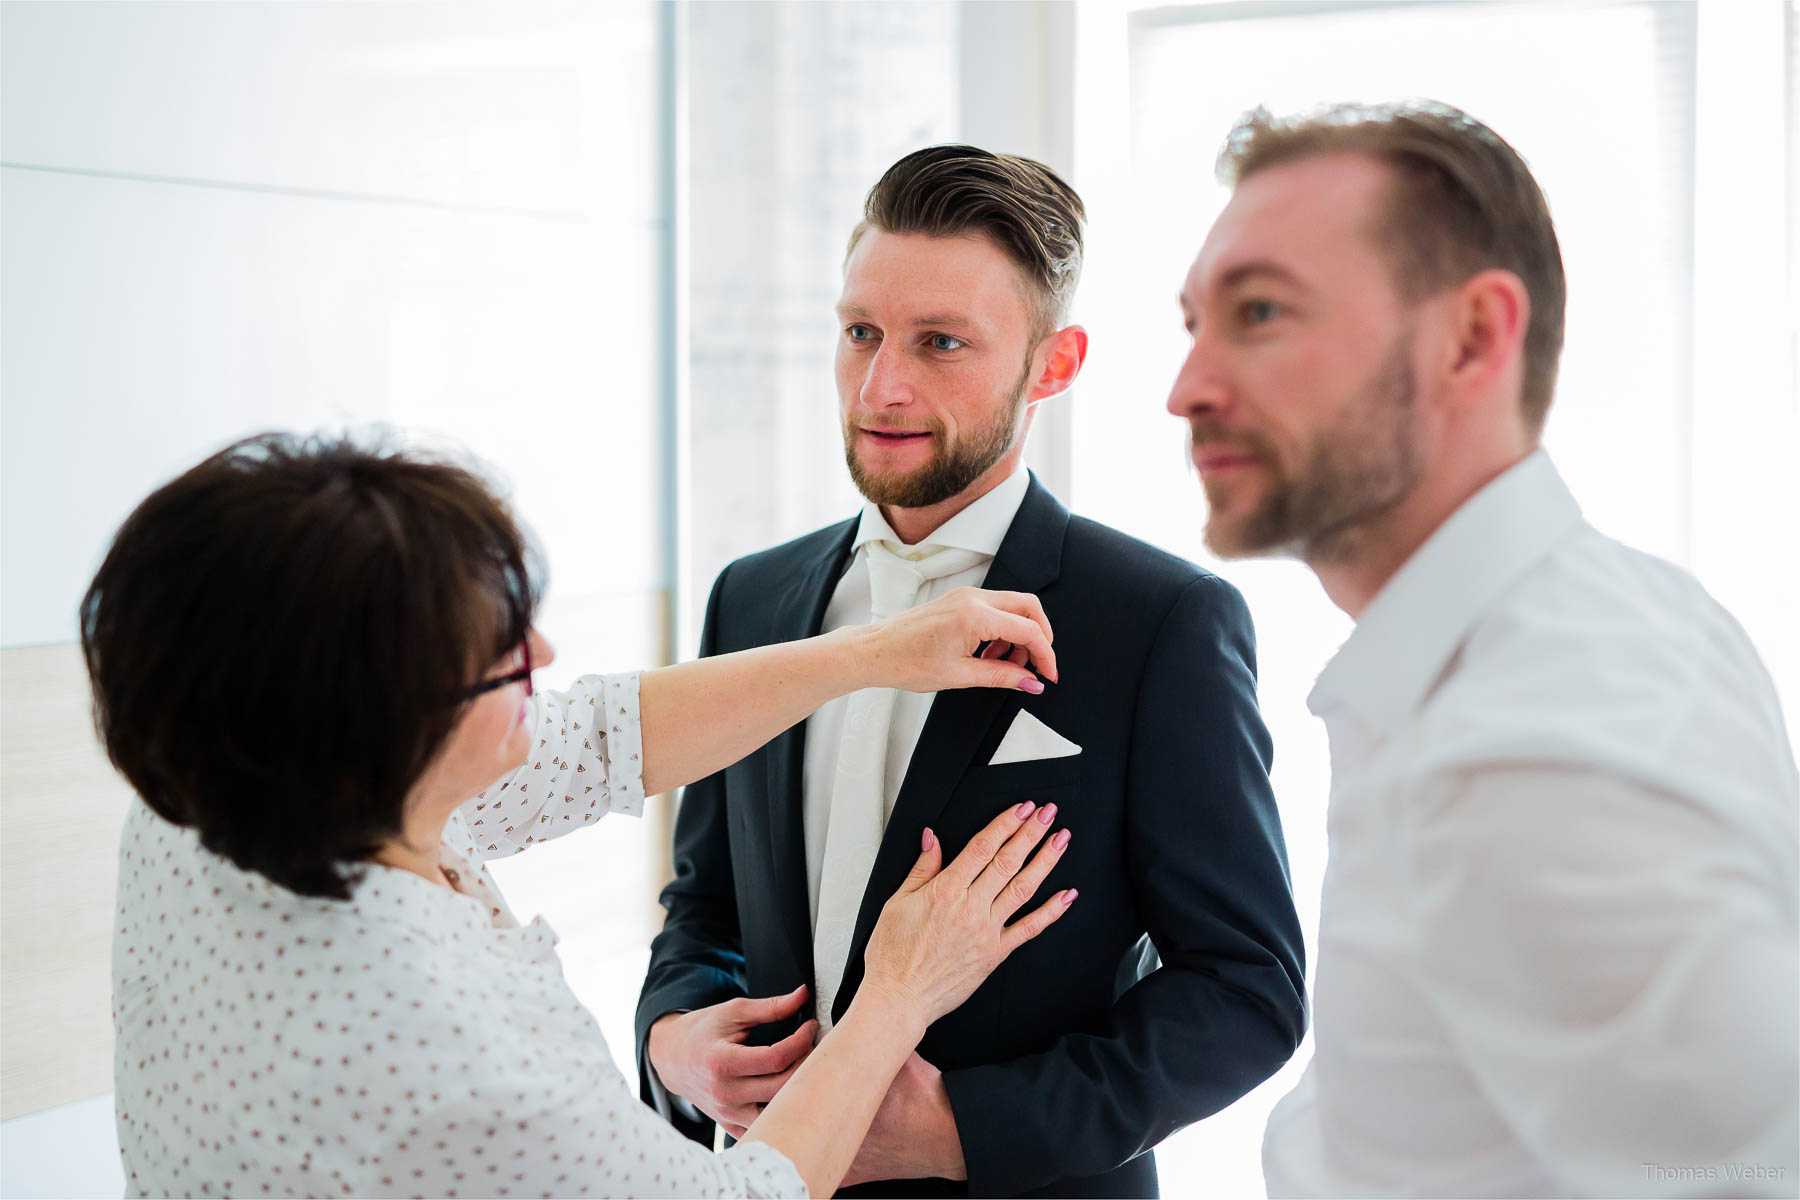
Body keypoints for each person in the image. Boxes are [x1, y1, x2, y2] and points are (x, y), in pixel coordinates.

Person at [88, 431, 1081, 1199]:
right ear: (384, 725)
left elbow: (601, 736)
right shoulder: (458, 1058)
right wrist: (900, 991)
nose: (547, 659)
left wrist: (866, 654)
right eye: (500, 656)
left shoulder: (212, 801)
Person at [637, 145, 1306, 1198]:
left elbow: (1247, 991)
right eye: (860, 333)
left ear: (1056, 363)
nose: (881, 385)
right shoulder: (750, 600)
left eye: (940, 342)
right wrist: (674, 1036)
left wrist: (960, 1131)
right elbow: (706, 903)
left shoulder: (1161, 622)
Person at [1167, 100, 1800, 1197]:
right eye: (1195, 326)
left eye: (1260, 312)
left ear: (1471, 339)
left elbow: (1742, 1175)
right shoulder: (1620, 616)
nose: (1189, 390)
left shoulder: (1528, 754)